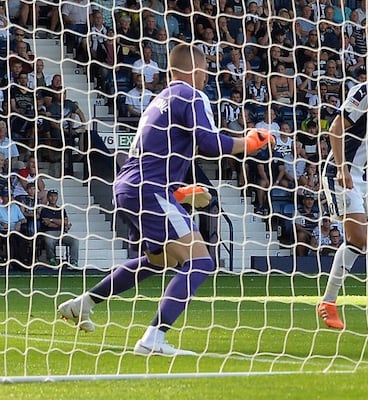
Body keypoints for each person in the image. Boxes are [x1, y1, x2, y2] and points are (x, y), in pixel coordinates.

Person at [58, 44, 275, 355]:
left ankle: (84, 303)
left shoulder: (160, 99)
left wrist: (177, 192)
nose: (207, 77)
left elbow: (160, 151)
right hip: (149, 189)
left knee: (162, 261)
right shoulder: (191, 95)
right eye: (205, 71)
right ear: (196, 70)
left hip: (130, 186)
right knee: (199, 262)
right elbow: (210, 144)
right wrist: (248, 142)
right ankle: (153, 339)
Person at [318, 56, 368, 330]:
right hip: (345, 170)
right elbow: (336, 127)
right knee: (359, 239)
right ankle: (327, 302)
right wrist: (341, 168)